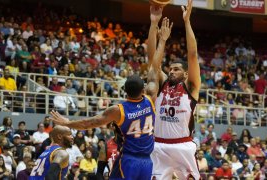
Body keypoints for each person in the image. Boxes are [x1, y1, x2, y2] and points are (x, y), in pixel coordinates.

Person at [51, 74, 156, 180]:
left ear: (125, 91)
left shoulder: (119, 110)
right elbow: (155, 74)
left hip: (129, 161)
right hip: (147, 162)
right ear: (143, 90)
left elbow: (88, 124)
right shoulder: (150, 100)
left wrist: (67, 123)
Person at [148, 0, 201, 179]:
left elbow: (193, 56)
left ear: (186, 74)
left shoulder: (190, 86)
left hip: (182, 146)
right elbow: (152, 61)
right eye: (170, 68)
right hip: (158, 145)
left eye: (176, 69)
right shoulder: (163, 83)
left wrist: (187, 22)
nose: (171, 71)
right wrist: (154, 25)